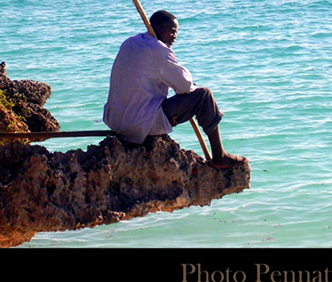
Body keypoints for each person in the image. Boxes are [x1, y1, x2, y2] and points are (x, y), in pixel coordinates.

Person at [103, 10, 246, 169]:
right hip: (140, 123)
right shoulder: (158, 49)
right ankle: (220, 156)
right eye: (171, 31)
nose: (174, 36)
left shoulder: (131, 42)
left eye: (176, 32)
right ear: (155, 27)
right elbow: (184, 85)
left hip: (117, 121)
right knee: (204, 96)